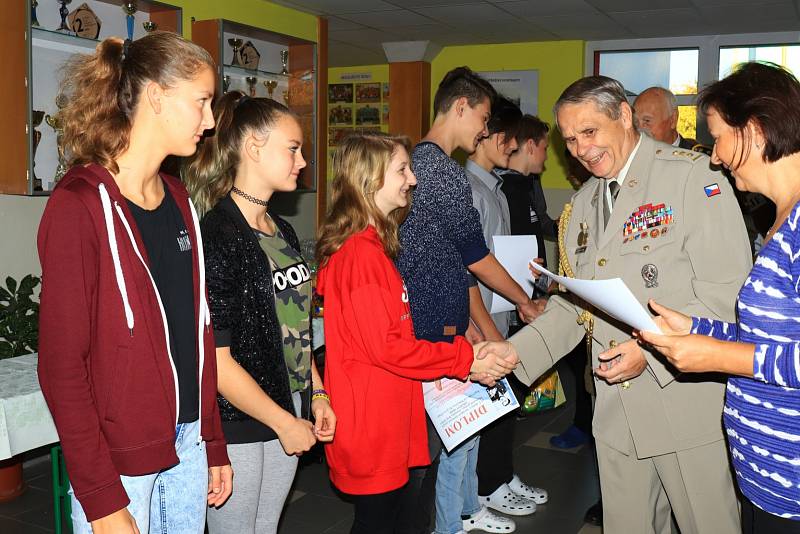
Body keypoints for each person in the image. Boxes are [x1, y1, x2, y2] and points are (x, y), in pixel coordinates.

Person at [481, 75, 752, 533]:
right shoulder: (581, 207)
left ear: (624, 117)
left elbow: (724, 295)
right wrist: (514, 354)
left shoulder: (692, 177)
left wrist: (646, 351)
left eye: (590, 132)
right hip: (615, 415)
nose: (581, 149)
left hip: (682, 404)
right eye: (569, 140)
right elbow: (575, 307)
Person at [37, 32, 232, 534]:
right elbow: (62, 368)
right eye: (202, 102)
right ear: (156, 97)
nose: (209, 122)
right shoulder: (78, 205)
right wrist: (101, 499)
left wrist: (211, 440)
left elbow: (198, 334)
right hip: (118, 461)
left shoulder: (180, 200)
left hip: (186, 445)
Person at [316, 131, 518, 534]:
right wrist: (465, 360)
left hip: (386, 414)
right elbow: (389, 348)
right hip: (371, 421)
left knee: (394, 518)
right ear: (370, 179)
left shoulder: (373, 247)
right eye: (402, 170)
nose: (412, 179)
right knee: (378, 523)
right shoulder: (360, 255)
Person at [639, 62, 800, 534]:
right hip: (763, 479)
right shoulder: (778, 220)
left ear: (753, 130)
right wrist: (698, 330)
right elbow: (771, 339)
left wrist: (719, 356)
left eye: (718, 139)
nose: (713, 158)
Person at [183, 91, 336, 534]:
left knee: (265, 527)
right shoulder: (219, 233)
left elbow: (297, 329)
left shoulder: (281, 228)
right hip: (240, 421)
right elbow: (217, 359)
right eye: (293, 149)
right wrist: (283, 422)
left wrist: (318, 394)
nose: (303, 161)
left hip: (286, 406)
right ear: (253, 148)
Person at [396, 66, 540, 534]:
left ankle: (453, 518)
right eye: (481, 115)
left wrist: (470, 320)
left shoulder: (419, 165)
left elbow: (449, 262)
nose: (484, 129)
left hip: (436, 321)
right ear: (460, 107)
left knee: (446, 444)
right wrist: (524, 300)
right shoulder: (440, 172)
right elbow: (475, 258)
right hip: (429, 330)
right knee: (432, 456)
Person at [464, 98, 548, 520]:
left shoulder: (493, 186)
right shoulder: (469, 189)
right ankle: (484, 488)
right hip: (483, 316)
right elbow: (471, 265)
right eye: (510, 140)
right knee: (483, 409)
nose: (513, 148)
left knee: (504, 402)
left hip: (501, 310)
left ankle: (499, 476)